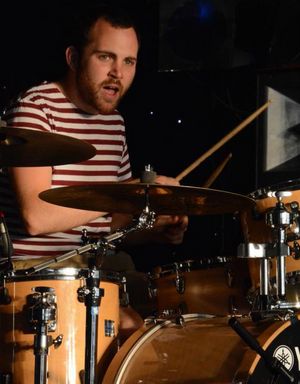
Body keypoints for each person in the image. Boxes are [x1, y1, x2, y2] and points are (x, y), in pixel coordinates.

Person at [0, 3, 188, 343]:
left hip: (96, 270)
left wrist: (153, 230)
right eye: (106, 57)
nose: (118, 72)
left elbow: (107, 225)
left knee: (180, 310)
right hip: (36, 275)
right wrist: (124, 195)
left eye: (128, 61)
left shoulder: (114, 124)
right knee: (133, 331)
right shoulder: (35, 108)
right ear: (73, 58)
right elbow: (36, 217)